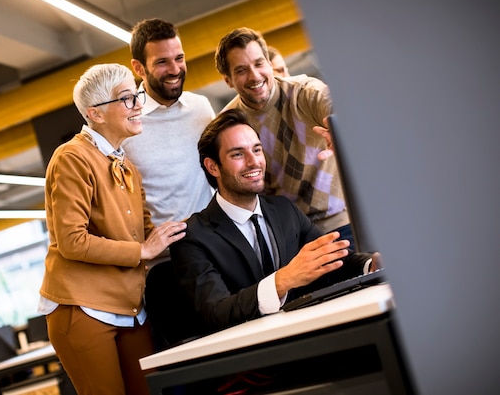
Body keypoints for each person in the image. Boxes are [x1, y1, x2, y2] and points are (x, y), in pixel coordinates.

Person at [38, 63, 186, 395]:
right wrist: (143, 251)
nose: (138, 105)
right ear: (96, 114)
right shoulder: (71, 158)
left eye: (137, 96)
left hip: (128, 305)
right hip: (82, 308)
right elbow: (72, 242)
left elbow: (148, 235)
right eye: (127, 99)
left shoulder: (127, 167)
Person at [170, 109, 380, 333]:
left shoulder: (284, 209)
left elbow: (332, 261)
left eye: (257, 150)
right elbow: (215, 313)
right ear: (213, 167)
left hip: (311, 332)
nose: (254, 162)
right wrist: (282, 281)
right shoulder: (191, 238)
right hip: (251, 353)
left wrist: (372, 265)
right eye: (238, 154)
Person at [214, 27, 354, 248]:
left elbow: (332, 105)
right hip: (287, 241)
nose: (255, 76)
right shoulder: (230, 123)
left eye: (259, 64)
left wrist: (340, 128)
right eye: (241, 70)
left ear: (269, 64)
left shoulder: (303, 92)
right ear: (228, 80)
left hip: (340, 226)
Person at [122, 18, 216, 230]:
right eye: (162, 62)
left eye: (179, 58)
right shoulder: (124, 123)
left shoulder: (200, 107)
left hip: (212, 239)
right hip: (162, 254)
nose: (175, 70)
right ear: (139, 68)